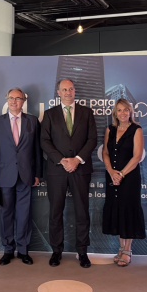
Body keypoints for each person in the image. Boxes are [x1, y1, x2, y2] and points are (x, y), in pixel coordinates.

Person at [40, 79, 97, 268]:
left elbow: (92, 139)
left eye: (71, 89)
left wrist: (77, 159)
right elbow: (44, 140)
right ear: (58, 92)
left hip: (81, 169)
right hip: (57, 170)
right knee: (56, 212)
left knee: (82, 211)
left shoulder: (87, 113)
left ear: (74, 91)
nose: (68, 92)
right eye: (64, 89)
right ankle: (56, 251)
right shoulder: (50, 114)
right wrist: (62, 160)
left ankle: (82, 252)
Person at [0, 87, 42, 266]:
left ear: (23, 101)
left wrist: (38, 173)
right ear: (6, 100)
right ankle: (8, 250)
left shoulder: (32, 121)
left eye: (18, 98)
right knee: (6, 213)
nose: (14, 101)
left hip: (26, 175)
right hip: (4, 175)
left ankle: (23, 250)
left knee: (24, 214)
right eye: (11, 98)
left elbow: (37, 150)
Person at [102, 98, 145, 267]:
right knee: (118, 210)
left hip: (129, 178)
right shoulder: (110, 129)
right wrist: (111, 172)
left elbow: (137, 157)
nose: (123, 113)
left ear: (130, 112)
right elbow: (105, 153)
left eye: (126, 110)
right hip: (112, 177)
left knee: (128, 210)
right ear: (115, 113)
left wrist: (121, 174)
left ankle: (128, 249)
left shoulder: (136, 129)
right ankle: (121, 248)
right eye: (119, 110)